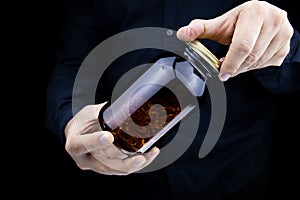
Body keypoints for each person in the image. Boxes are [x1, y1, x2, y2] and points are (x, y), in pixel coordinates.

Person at [45, 0, 300, 199]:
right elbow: (74, 63)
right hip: (122, 184)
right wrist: (72, 120)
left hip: (234, 174)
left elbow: (294, 71)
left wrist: (278, 51)